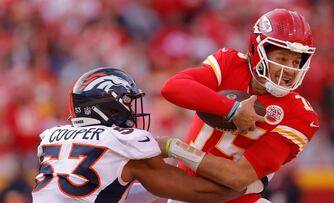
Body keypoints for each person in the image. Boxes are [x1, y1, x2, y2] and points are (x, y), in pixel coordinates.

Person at [160, 8, 319, 203]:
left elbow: (237, 177)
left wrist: (174, 147)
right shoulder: (230, 63)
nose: (290, 69)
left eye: (296, 62)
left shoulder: (301, 114)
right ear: (257, 51)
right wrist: (232, 110)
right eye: (281, 59)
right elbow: (172, 88)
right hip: (186, 196)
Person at [31, 67, 248, 203]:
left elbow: (111, 189)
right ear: (108, 107)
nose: (133, 111)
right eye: (127, 103)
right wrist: (247, 184)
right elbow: (201, 193)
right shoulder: (124, 142)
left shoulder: (51, 137)